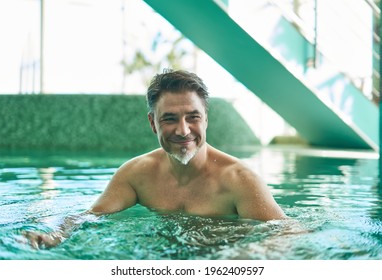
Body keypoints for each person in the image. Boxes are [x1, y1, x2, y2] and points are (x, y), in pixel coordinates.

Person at [24, 69, 286, 249]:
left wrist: (248, 258)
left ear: (206, 119)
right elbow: (89, 216)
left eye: (192, 117)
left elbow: (288, 235)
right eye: (169, 119)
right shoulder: (137, 175)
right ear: (153, 123)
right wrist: (54, 235)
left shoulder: (240, 181)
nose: (183, 130)